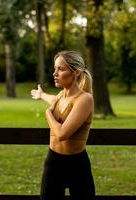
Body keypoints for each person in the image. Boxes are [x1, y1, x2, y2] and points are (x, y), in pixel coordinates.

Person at [30, 51, 95, 200]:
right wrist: (42, 95)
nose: (55, 73)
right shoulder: (60, 96)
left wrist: (48, 114)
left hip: (77, 165)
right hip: (53, 162)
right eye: (55, 69)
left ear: (76, 72)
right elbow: (53, 99)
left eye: (61, 69)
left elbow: (62, 134)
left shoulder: (84, 99)